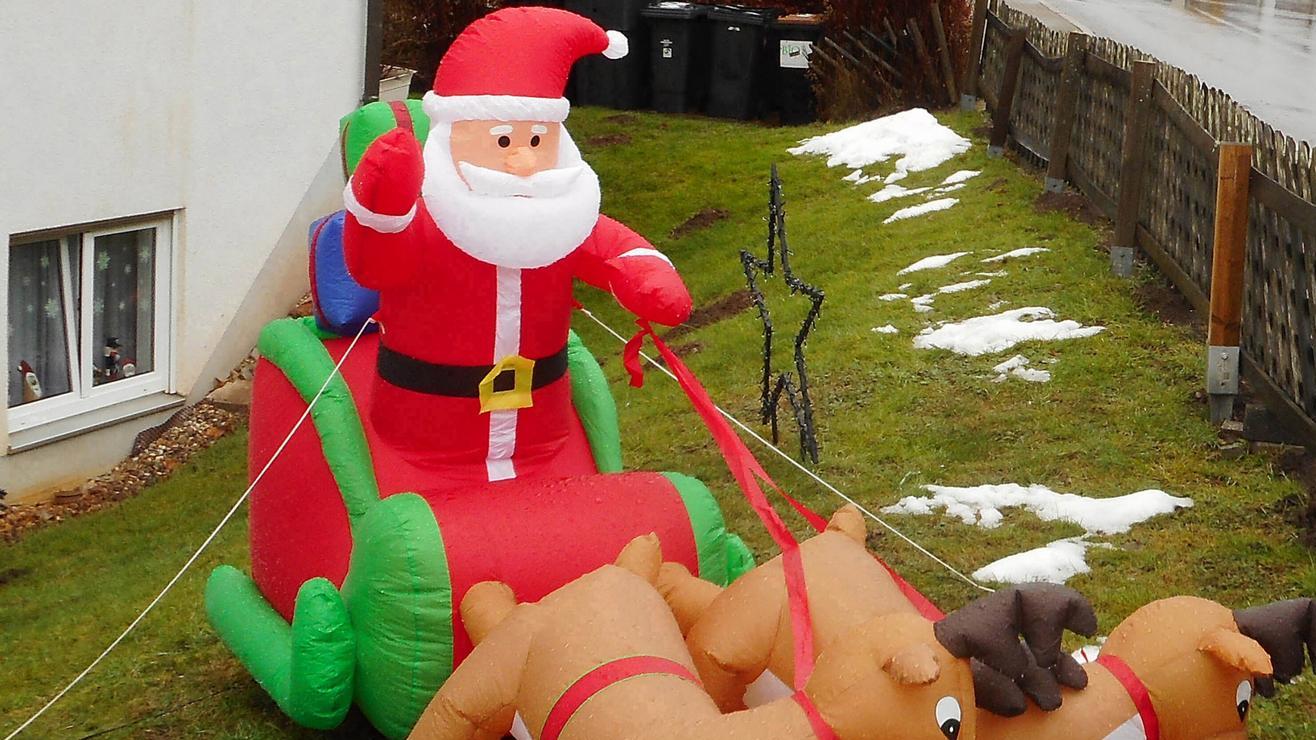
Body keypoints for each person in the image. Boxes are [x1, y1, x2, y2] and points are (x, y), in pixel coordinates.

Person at [343, 7, 691, 483]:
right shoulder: (430, 220)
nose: (524, 162)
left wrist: (647, 276)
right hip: (425, 437)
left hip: (541, 431)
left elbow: (612, 249)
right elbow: (376, 265)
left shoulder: (561, 220)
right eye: (504, 142)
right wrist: (381, 207)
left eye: (537, 141)